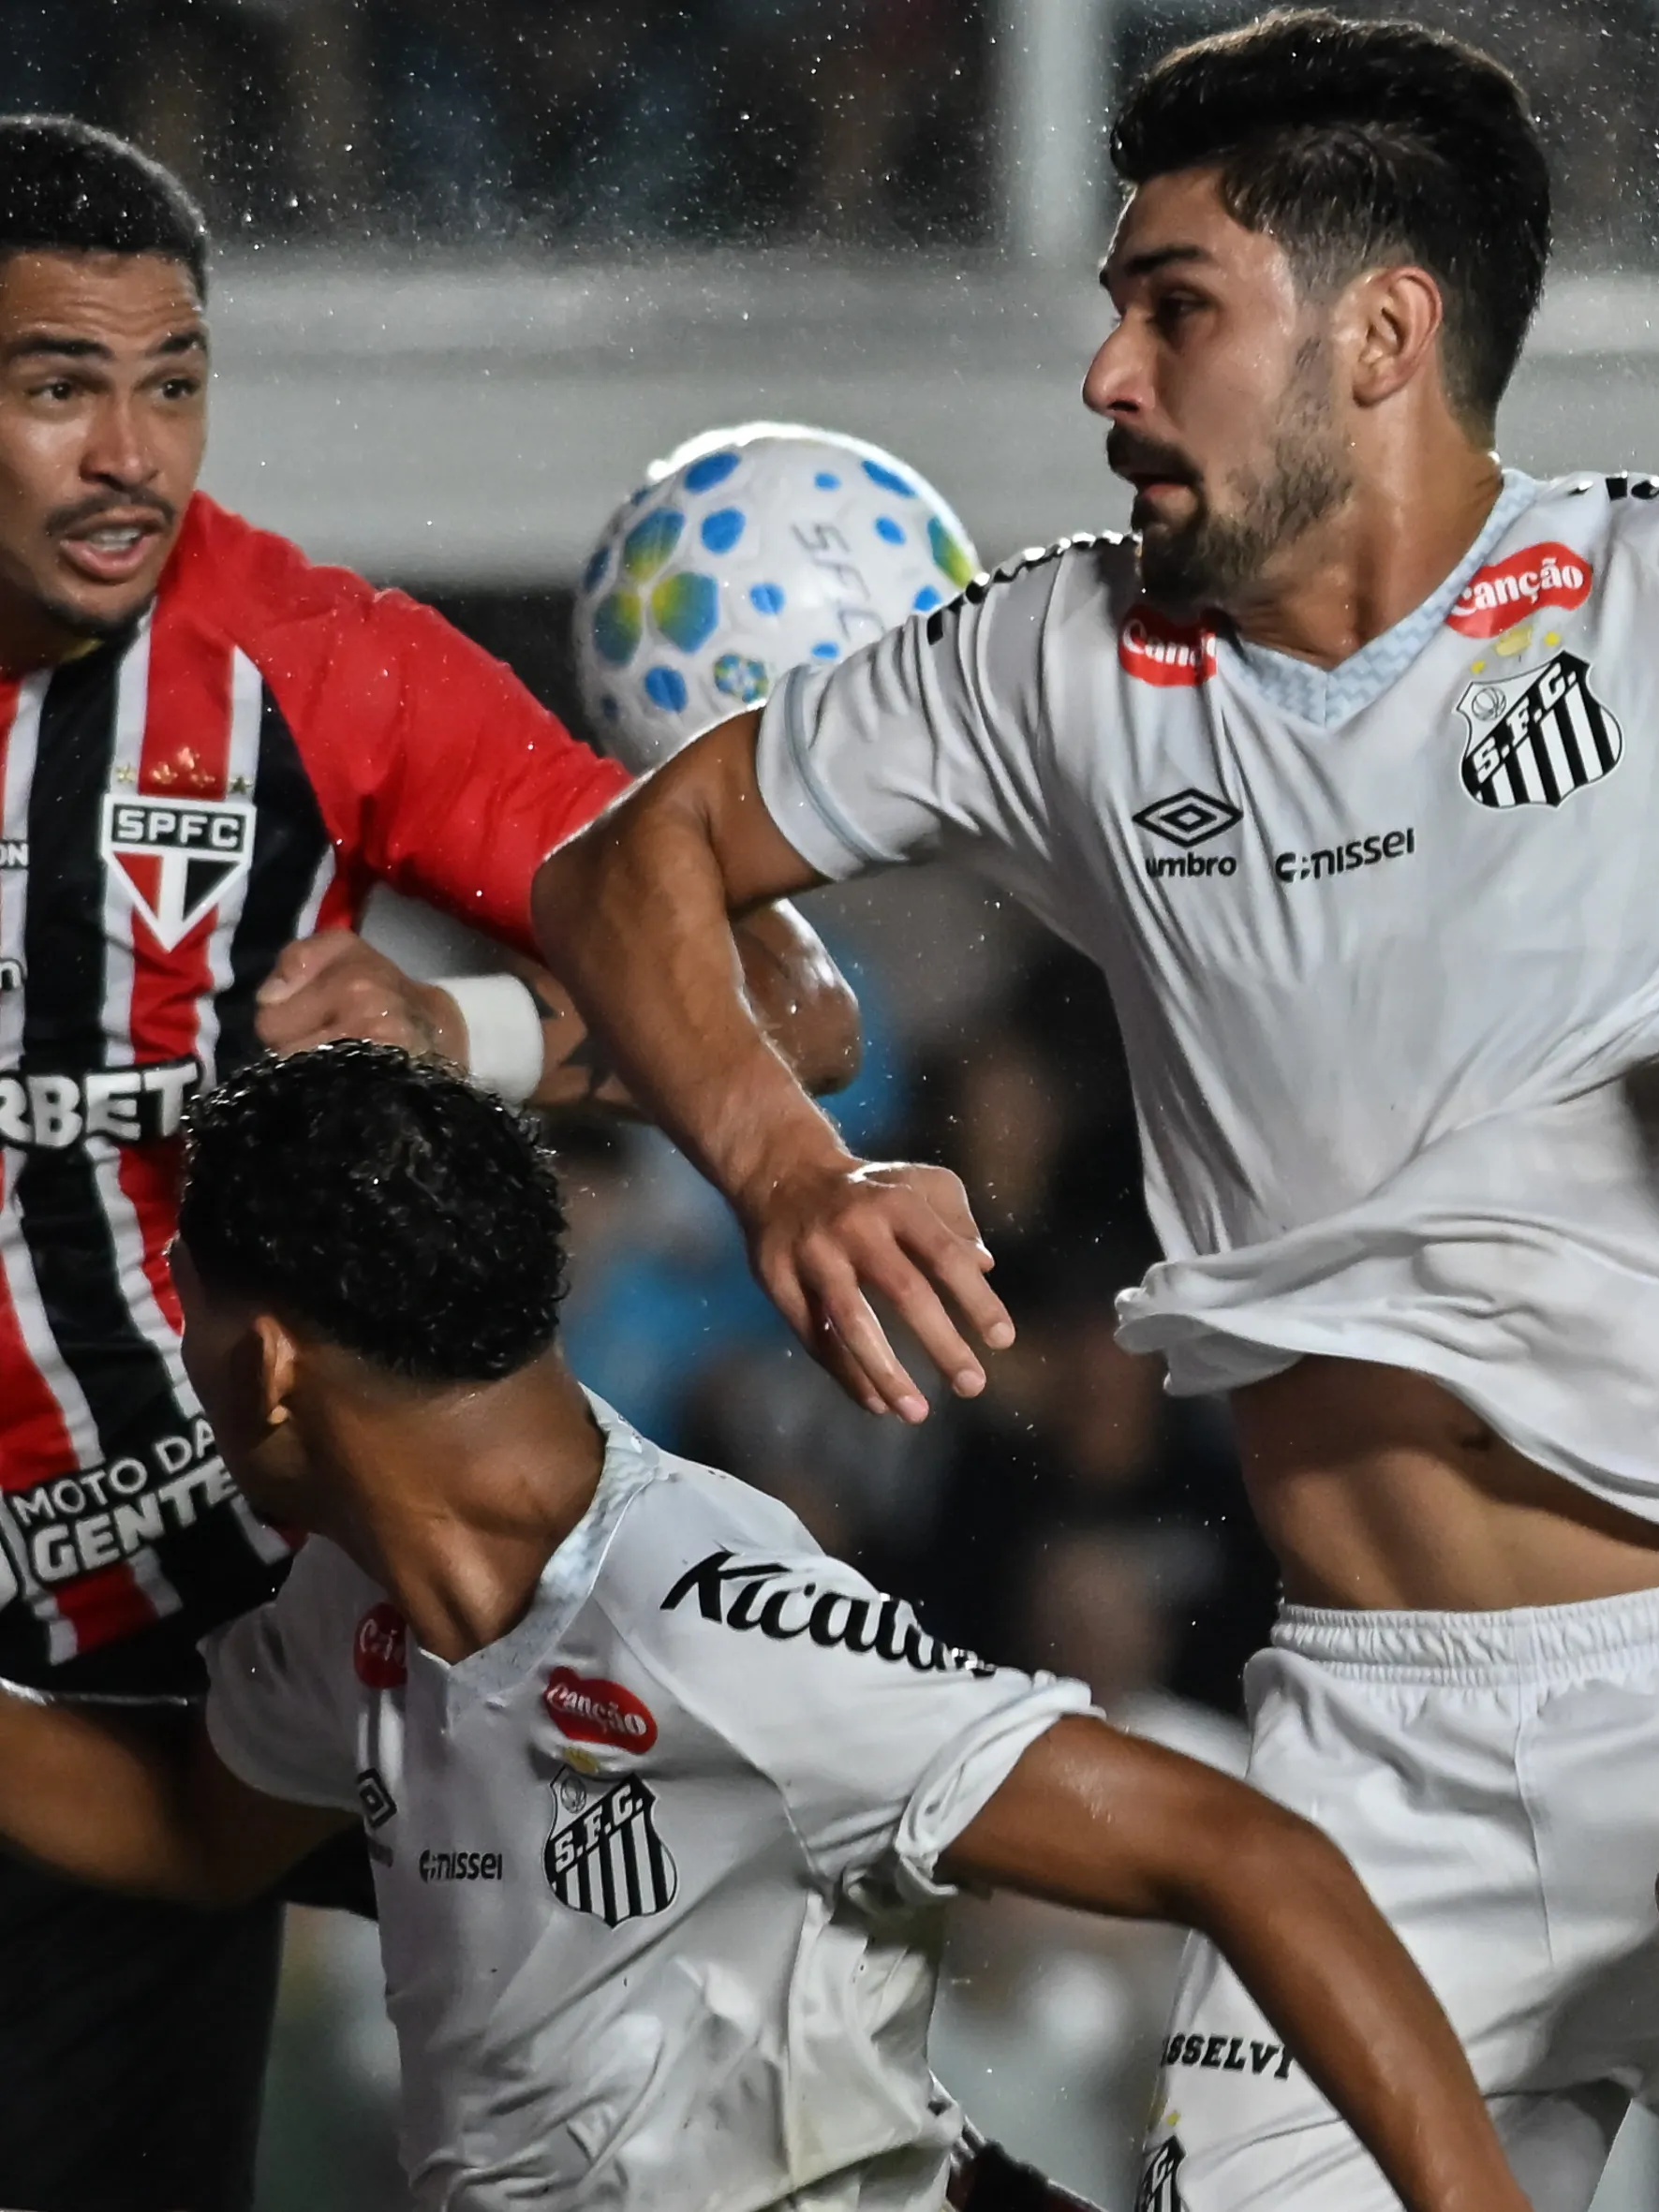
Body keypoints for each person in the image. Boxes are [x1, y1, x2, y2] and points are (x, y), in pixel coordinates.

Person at [529, 14, 1659, 2204]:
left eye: (1170, 306)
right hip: (1369, 1747)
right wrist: (789, 1167)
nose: (1105, 377)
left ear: (1381, 332)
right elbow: (624, 869)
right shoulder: (1046, 662)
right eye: (1114, 309)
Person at [0, 114, 857, 2211]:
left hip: (268, 1610)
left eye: (174, 379)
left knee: (735, 2116)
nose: (133, 451)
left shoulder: (304, 661)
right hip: (47, 1697)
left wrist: (463, 1025)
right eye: (57, 386)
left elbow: (794, 1006)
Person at [0, 1040, 1532, 2212]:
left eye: (181, 1301)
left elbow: (1248, 1852)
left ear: (262, 1359)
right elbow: (191, 1820)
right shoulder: (366, 1594)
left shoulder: (707, 1617)